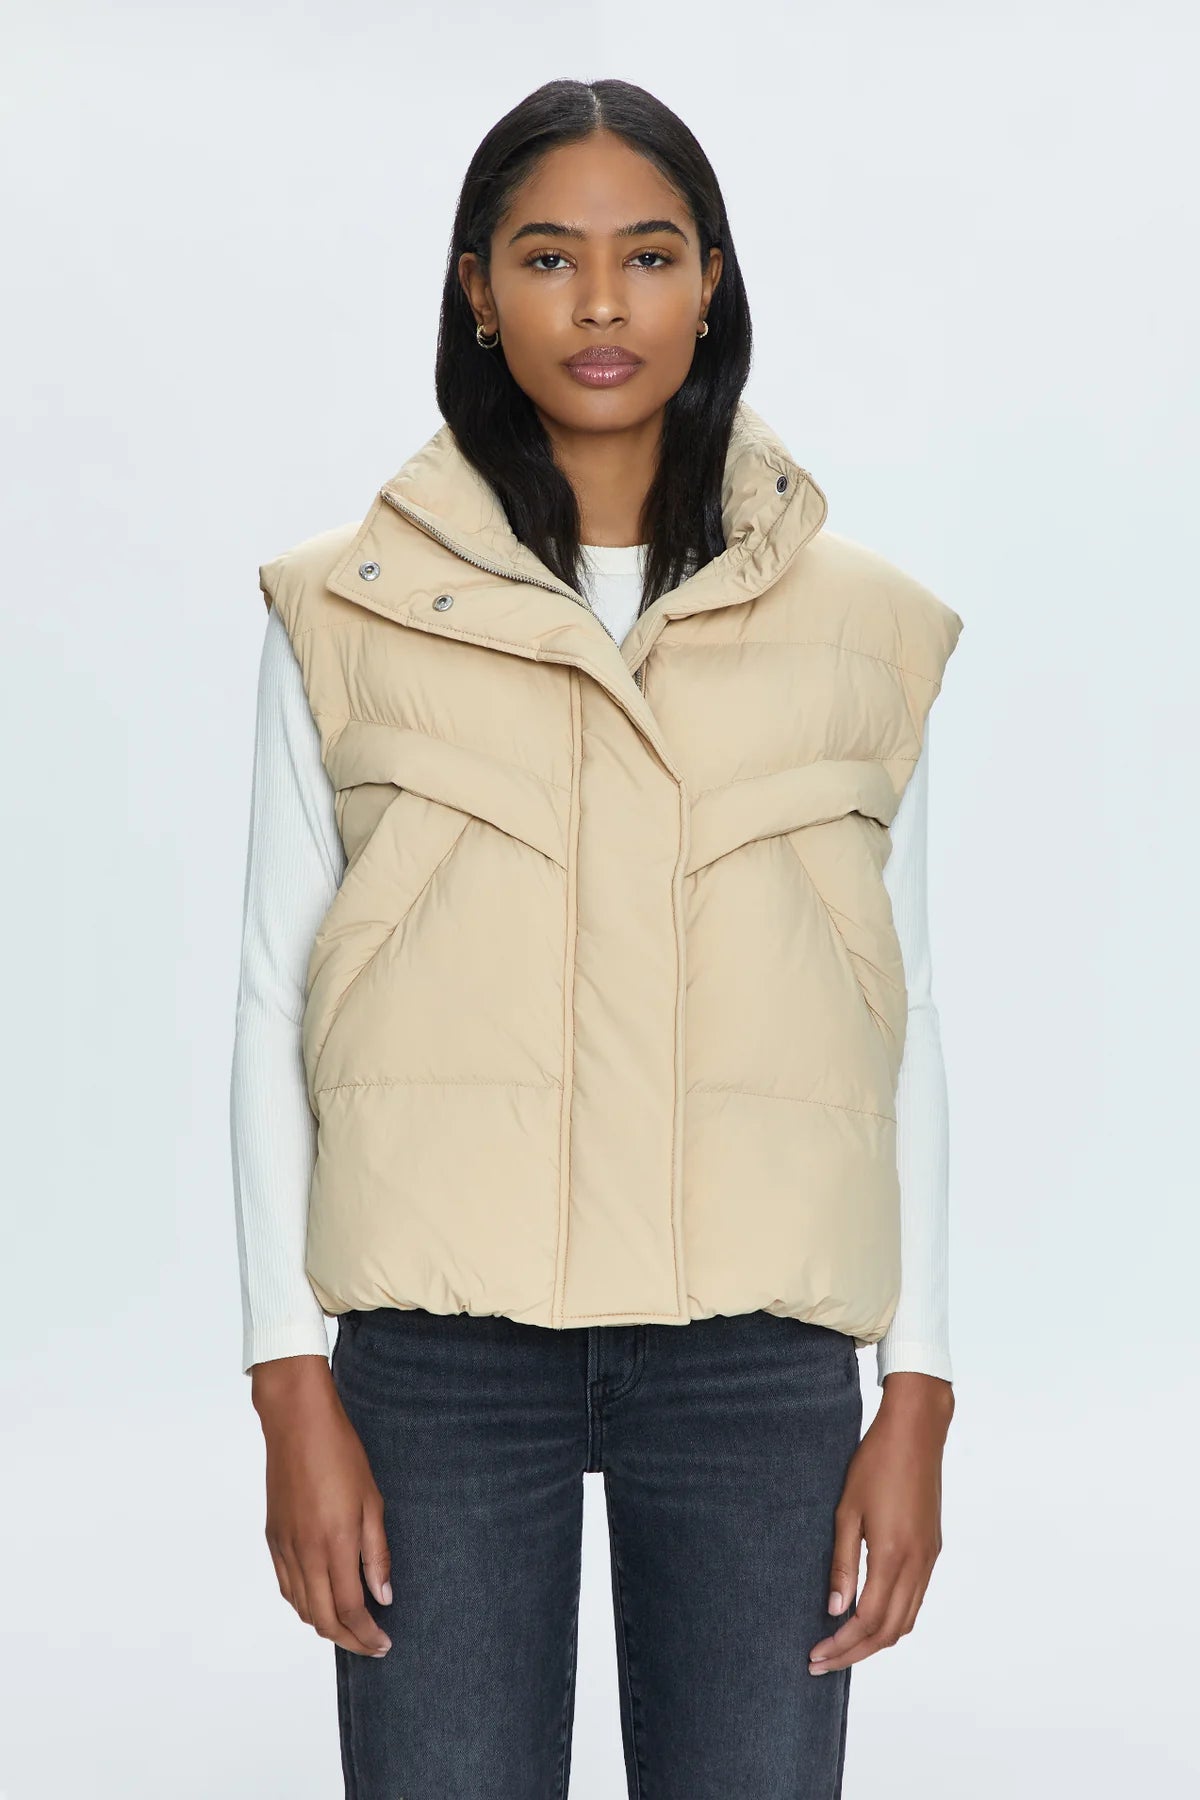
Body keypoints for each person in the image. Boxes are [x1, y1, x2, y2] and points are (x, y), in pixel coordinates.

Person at [230, 77, 962, 1800]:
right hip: (438, 1351)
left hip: (758, 1355)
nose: (604, 302)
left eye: (649, 254)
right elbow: (271, 998)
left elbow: (907, 1020)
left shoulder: (864, 631)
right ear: (479, 291)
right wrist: (286, 1384)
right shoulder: (344, 607)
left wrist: (919, 1391)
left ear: (712, 281)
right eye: (550, 258)